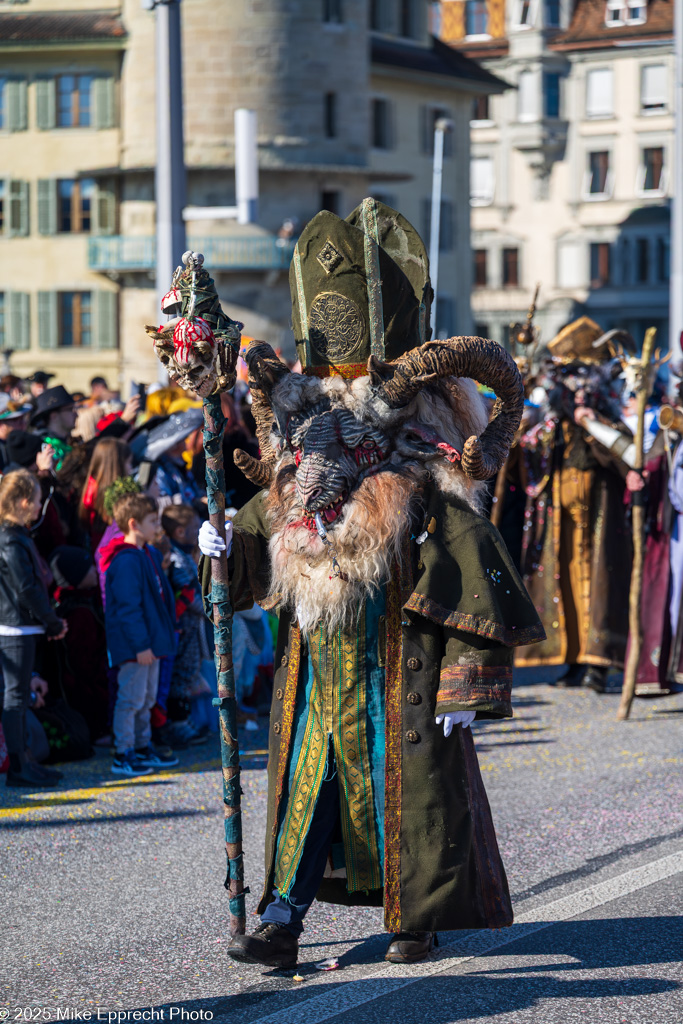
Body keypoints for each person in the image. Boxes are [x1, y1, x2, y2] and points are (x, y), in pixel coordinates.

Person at [196, 200, 544, 967]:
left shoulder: (422, 445)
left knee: (401, 787)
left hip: (398, 659)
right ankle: (281, 918)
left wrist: (466, 679)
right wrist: (223, 542)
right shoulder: (302, 434)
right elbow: (264, 515)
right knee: (308, 788)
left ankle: (412, 920)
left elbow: (466, 556)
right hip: (316, 665)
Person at [515, 318, 634, 693]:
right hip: (561, 518)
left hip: (599, 515)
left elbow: (627, 455)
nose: (576, 386)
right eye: (567, 375)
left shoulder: (606, 421)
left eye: (582, 375)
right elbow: (525, 454)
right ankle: (572, 658)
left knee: (599, 585)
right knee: (562, 580)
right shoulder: (553, 426)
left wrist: (593, 425)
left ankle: (599, 662)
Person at [0, 468, 67, 787]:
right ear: (24, 502)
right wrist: (50, 620)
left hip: (21, 625)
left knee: (19, 697)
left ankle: (24, 760)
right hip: (14, 627)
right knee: (15, 698)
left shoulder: (16, 534)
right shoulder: (10, 538)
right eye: (38, 501)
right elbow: (26, 587)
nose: (40, 508)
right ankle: (18, 766)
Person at [104, 491, 178, 776]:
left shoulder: (146, 553)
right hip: (138, 646)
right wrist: (141, 645)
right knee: (131, 699)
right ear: (134, 524)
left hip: (151, 643)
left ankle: (141, 746)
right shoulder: (125, 561)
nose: (156, 525)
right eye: (151, 520)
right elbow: (128, 609)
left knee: (145, 699)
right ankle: (123, 752)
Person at [158, 504, 208, 748]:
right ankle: (178, 724)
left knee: (189, 673)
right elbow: (186, 594)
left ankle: (185, 719)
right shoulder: (176, 559)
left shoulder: (185, 555)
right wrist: (211, 610)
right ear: (179, 532)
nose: (199, 531)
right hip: (184, 628)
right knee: (182, 674)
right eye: (195, 528)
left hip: (192, 628)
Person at [49, 545, 111, 742]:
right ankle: (96, 731)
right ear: (77, 576)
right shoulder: (79, 613)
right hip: (86, 693)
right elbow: (83, 664)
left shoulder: (76, 604)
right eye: (89, 568)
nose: (95, 570)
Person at [79, 437, 133, 551]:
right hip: (109, 553)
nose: (131, 469)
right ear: (117, 466)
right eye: (128, 463)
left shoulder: (90, 485)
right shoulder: (113, 496)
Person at [30, 385, 77, 472]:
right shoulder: (40, 447)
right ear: (54, 416)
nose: (76, 414)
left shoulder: (70, 443)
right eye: (70, 409)